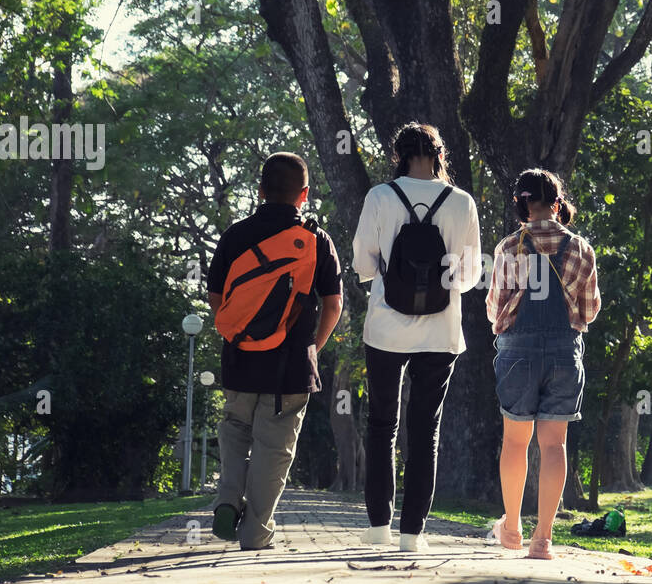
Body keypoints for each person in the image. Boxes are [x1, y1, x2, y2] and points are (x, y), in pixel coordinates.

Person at [351, 123, 481, 551]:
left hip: (385, 328)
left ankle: (377, 527)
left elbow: (364, 266)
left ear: (399, 154)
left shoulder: (380, 197)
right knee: (425, 429)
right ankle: (412, 535)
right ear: (439, 154)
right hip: (441, 330)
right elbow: (469, 276)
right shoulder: (462, 202)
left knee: (381, 424)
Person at [206, 152, 343, 549]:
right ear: (304, 195)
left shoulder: (235, 235)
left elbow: (216, 297)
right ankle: (255, 534)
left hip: (239, 359)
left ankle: (227, 500)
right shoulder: (317, 240)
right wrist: (312, 347)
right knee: (274, 448)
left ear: (261, 190)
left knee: (233, 432)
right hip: (291, 366)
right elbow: (333, 305)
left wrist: (239, 331)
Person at [485, 168, 600, 560]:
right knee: (554, 445)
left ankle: (512, 528)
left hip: (517, 350)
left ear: (522, 204)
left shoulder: (508, 247)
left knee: (516, 442)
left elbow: (496, 308)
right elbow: (590, 310)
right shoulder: (581, 248)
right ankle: (543, 539)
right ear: (556, 202)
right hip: (564, 352)